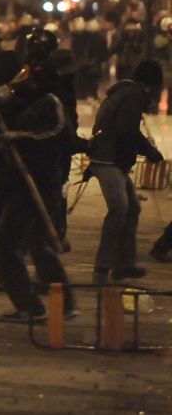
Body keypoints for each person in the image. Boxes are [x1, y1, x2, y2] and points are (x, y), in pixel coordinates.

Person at [0, 53, 76, 321]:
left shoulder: (51, 102)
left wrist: (21, 137)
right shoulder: (20, 101)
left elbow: (58, 133)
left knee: (6, 246)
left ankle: (32, 306)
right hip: (22, 181)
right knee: (37, 244)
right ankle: (61, 303)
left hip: (39, 183)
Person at [87, 59, 165, 283]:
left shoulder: (126, 91)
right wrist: (150, 151)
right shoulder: (132, 95)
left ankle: (124, 265)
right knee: (119, 209)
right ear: (150, 84)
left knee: (132, 208)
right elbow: (127, 131)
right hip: (108, 160)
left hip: (112, 159)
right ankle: (102, 268)